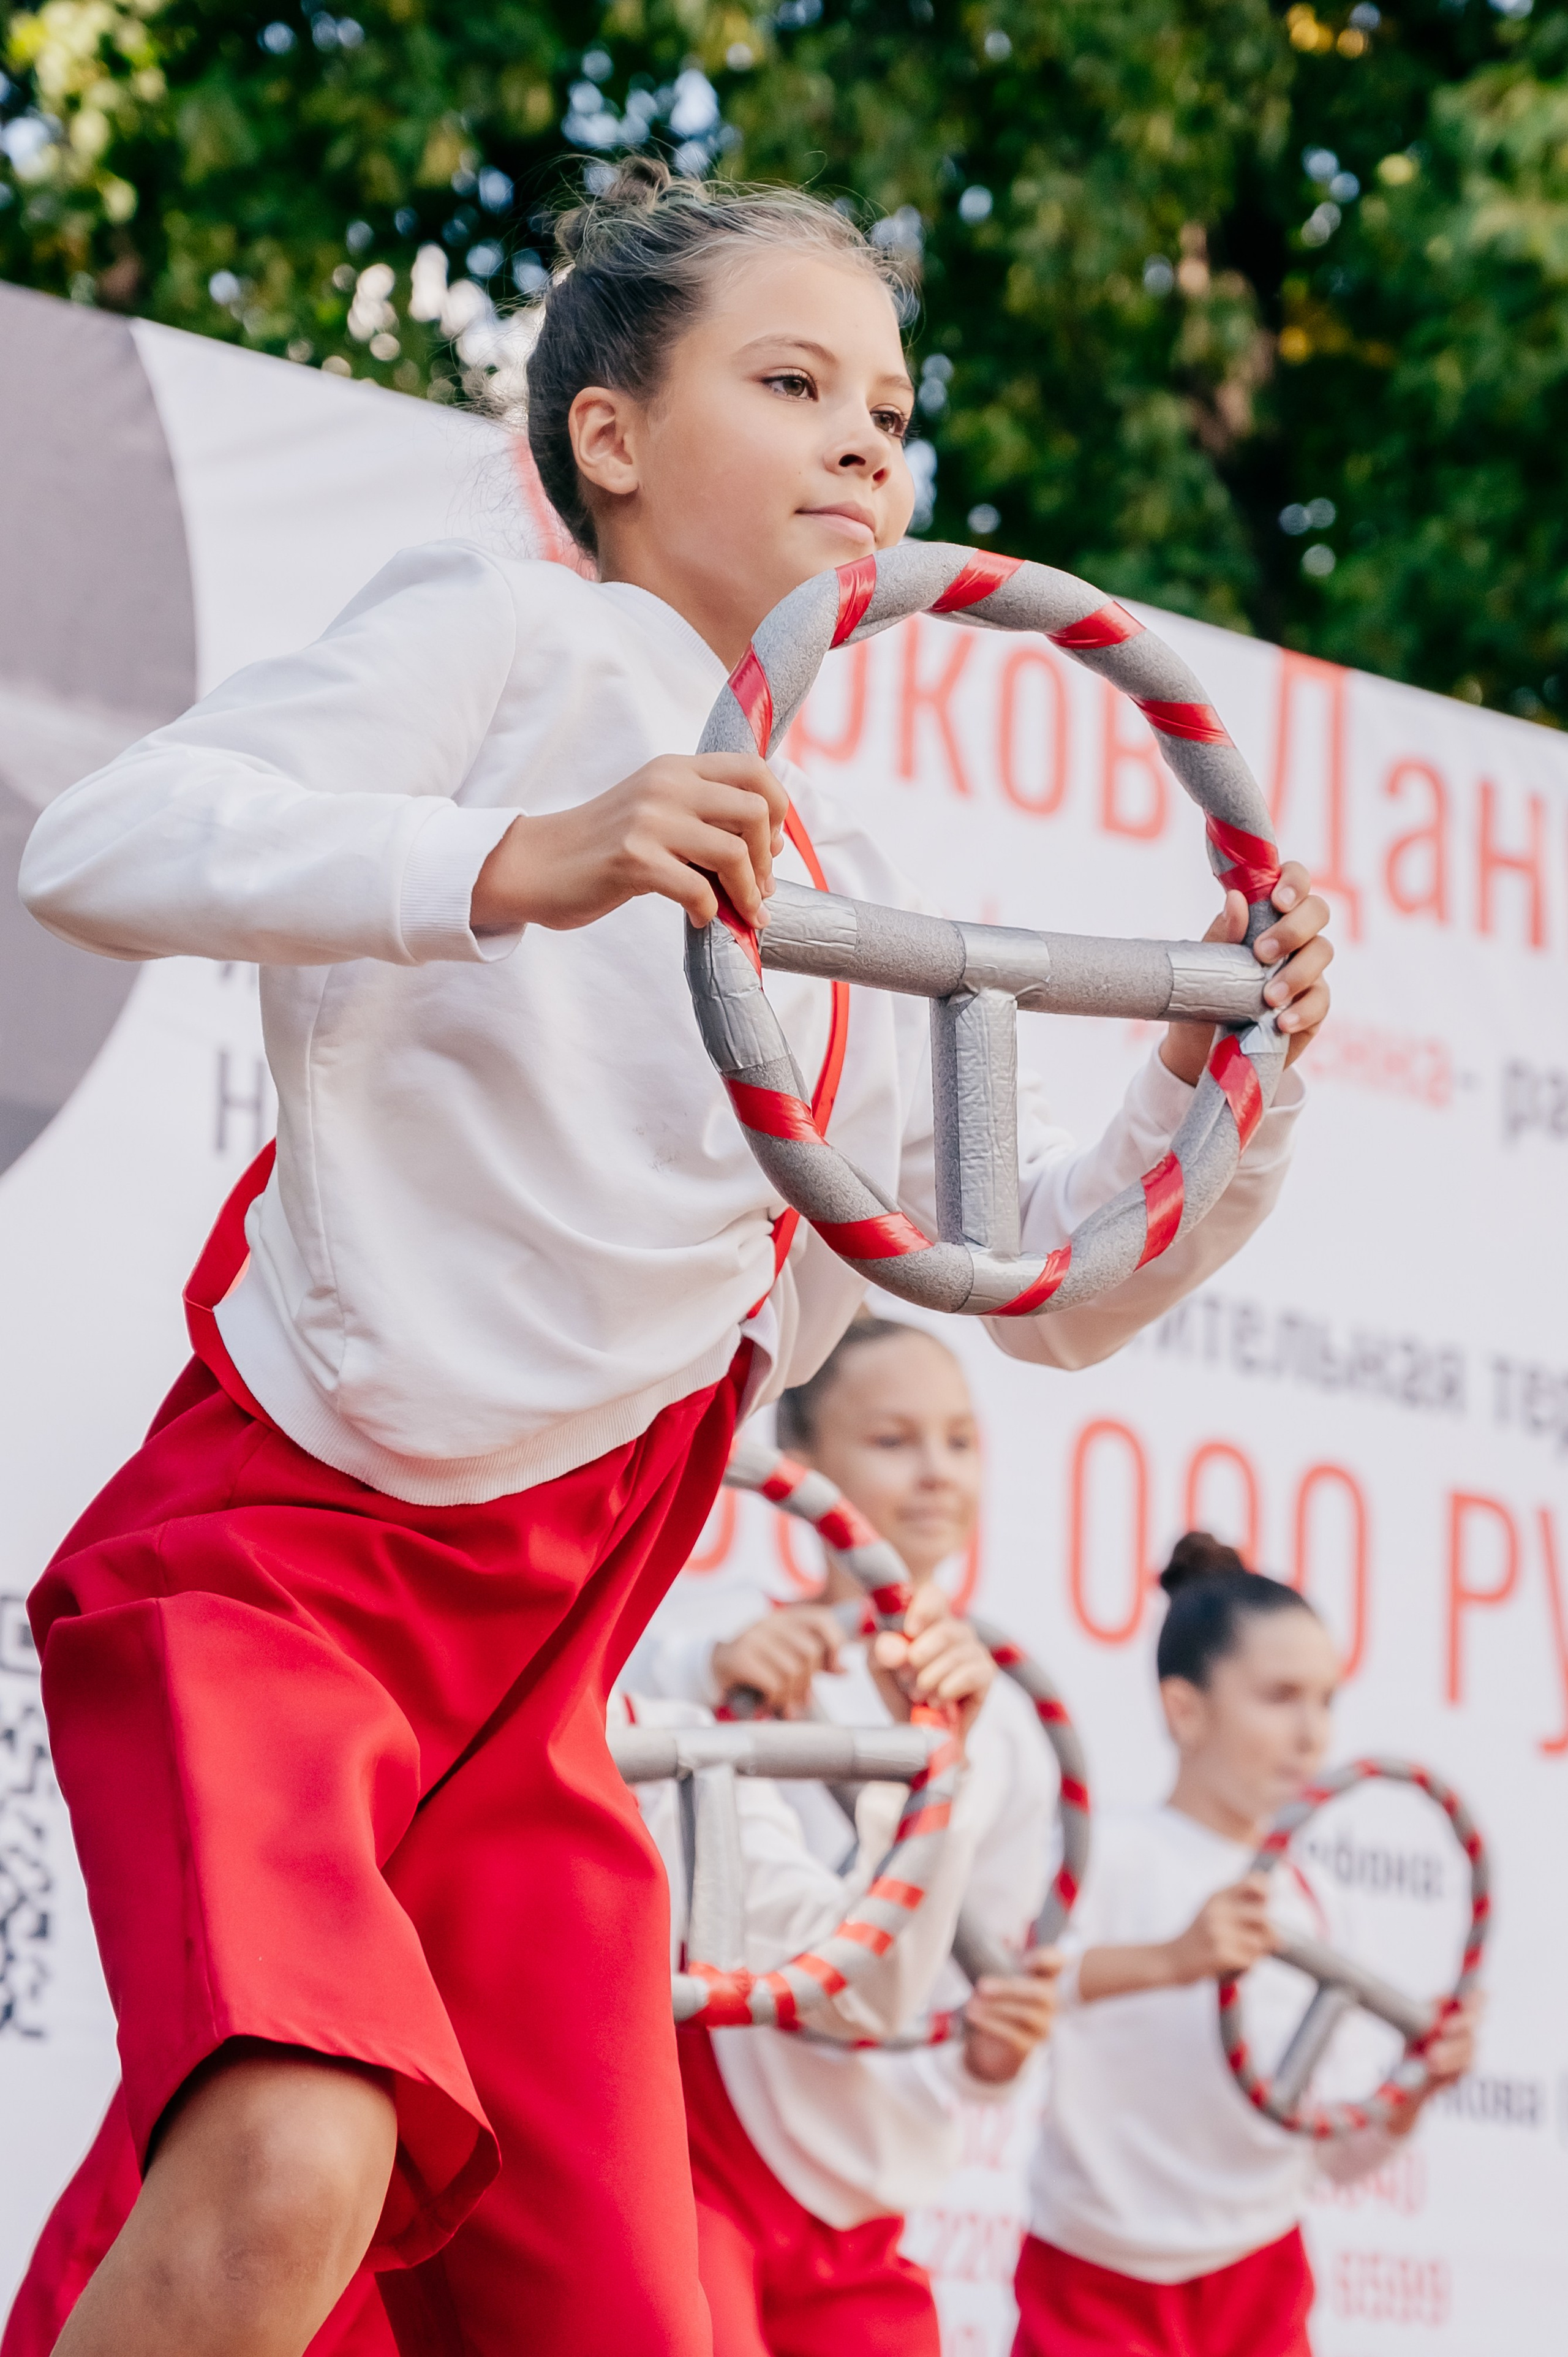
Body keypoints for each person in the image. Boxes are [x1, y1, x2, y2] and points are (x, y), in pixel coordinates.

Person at [10, 154, 1331, 2357]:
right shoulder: (499, 640)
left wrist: (1227, 1062)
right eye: (793, 384)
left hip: (545, 1723)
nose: (864, 446)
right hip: (286, 1591)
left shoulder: (839, 878)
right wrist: (517, 859)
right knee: (293, 2161)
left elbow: (1058, 1289)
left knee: (627, 2323)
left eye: (891, 412)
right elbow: (103, 841)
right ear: (607, 435)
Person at [629, 1316, 1063, 2355]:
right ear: (802, 1465)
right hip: (697, 2150)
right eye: (893, 1440)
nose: (936, 1473)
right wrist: (713, 1674)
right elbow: (603, 1726)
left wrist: (992, 2055)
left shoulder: (1008, 1729)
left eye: (959, 1440)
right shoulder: (720, 1635)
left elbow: (968, 1982)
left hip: (866, 2202)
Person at [1011, 1534, 1479, 2357]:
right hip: (1095, 2276)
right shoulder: (1107, 1855)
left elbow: (1332, 2150)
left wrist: (1413, 2090)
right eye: (1280, 1697)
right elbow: (1006, 2006)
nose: (1311, 1733)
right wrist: (1172, 1960)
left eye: (1326, 1701)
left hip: (1260, 2281)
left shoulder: (1319, 1901)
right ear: (1185, 1709)